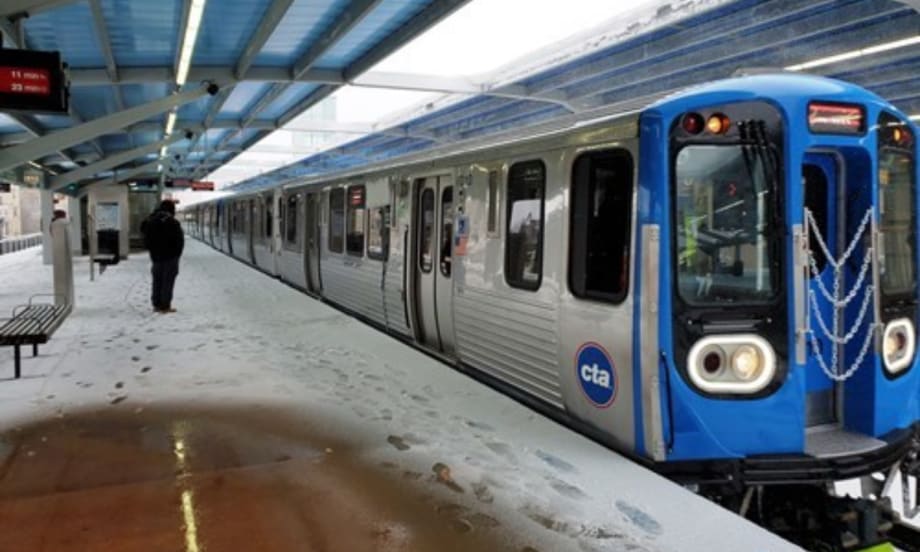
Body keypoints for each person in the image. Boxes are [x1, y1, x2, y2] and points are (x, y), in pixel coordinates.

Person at [141, 200, 184, 313]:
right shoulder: (172, 222)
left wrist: (152, 251)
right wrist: (177, 254)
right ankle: (165, 306)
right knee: (168, 281)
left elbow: (144, 233)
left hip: (156, 257)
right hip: (171, 257)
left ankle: (156, 304)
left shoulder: (151, 220)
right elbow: (179, 240)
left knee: (157, 280)